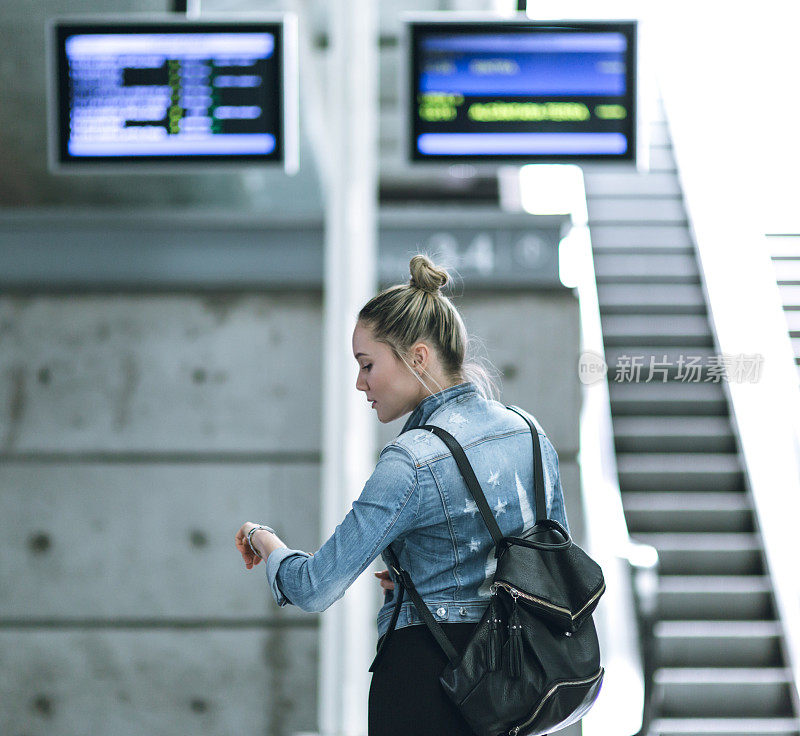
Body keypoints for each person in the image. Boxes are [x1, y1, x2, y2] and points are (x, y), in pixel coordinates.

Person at [234, 254, 570, 736]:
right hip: (517, 683)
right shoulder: (528, 432)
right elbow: (552, 560)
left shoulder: (411, 460)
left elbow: (314, 586)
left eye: (367, 364)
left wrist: (263, 538)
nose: (359, 383)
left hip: (427, 681)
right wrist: (422, 574)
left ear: (417, 357)